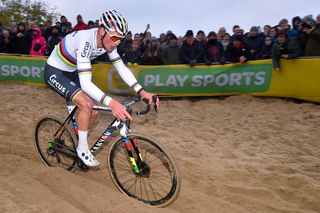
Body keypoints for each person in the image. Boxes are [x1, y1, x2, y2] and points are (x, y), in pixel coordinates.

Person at [44, 10, 159, 167]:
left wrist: (142, 91)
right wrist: (112, 103)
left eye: (120, 39)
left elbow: (121, 68)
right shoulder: (85, 40)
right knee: (87, 104)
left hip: (71, 71)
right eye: (114, 38)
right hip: (55, 71)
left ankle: (77, 136)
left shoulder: (108, 43)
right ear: (102, 30)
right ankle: (82, 149)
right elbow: (85, 83)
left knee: (95, 112)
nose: (116, 43)